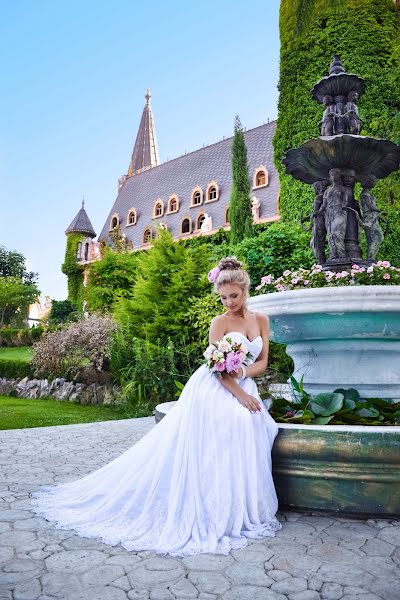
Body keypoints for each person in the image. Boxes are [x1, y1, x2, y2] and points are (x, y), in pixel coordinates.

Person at [31, 257, 281, 556]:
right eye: (223, 297)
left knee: (254, 425)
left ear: (244, 289)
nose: (228, 302)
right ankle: (208, 501)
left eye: (233, 296)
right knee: (230, 422)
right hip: (216, 387)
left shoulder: (261, 320)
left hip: (242, 381)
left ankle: (240, 502)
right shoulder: (220, 322)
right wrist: (239, 393)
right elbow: (216, 367)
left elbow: (263, 362)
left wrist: (242, 376)